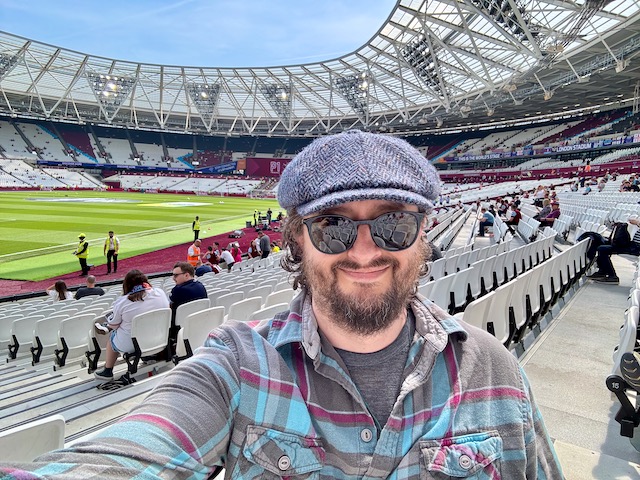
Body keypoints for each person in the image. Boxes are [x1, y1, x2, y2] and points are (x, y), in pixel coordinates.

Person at [0, 130, 563, 478]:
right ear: (296, 240)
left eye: (394, 223)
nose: (365, 250)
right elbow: (135, 452)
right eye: (333, 227)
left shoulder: (495, 371)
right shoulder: (235, 365)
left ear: (425, 233)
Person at [94, 270, 169, 380]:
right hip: (159, 339)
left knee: (112, 337)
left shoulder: (123, 301)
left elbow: (113, 325)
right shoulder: (160, 293)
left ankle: (108, 370)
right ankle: (147, 356)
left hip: (132, 344)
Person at [585, 217, 640, 284]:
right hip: (633, 245)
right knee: (601, 244)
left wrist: (637, 222)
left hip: (636, 248)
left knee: (602, 249)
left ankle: (612, 276)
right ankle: (602, 271)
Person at [169, 262, 207, 338]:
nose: (173, 278)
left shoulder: (177, 290)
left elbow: (170, 308)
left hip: (181, 331)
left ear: (186, 275)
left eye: (176, 275)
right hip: (201, 324)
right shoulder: (201, 286)